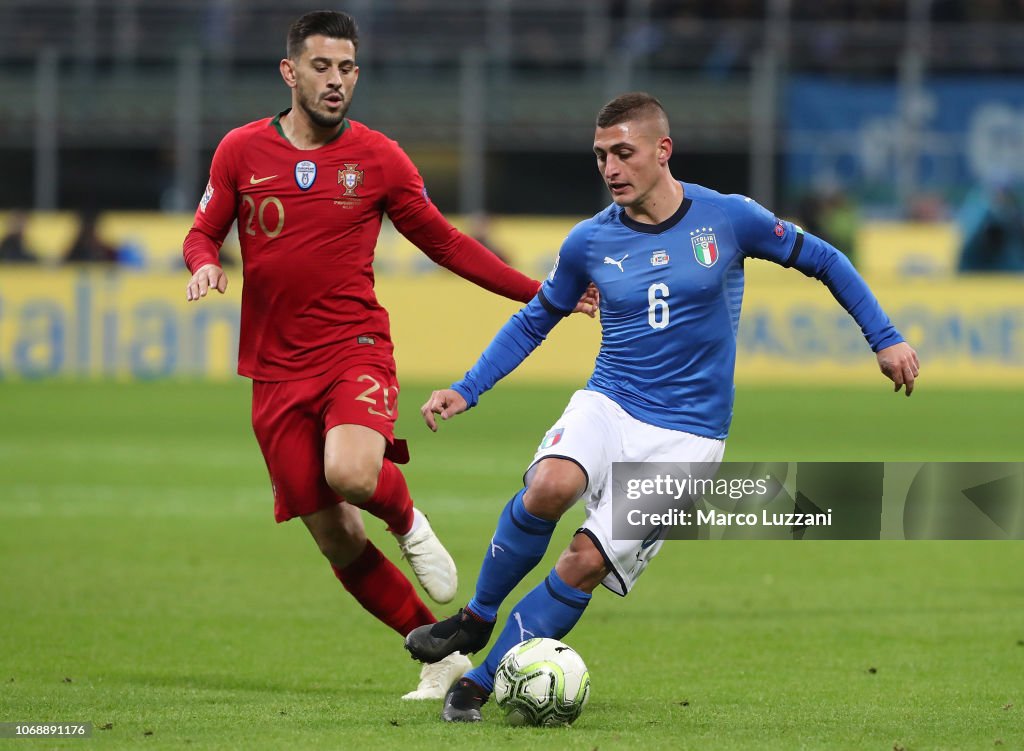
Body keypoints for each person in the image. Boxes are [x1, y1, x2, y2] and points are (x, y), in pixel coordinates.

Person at [404, 92, 920, 722]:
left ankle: (479, 683)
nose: (610, 169)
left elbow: (825, 259)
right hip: (610, 401)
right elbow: (538, 317)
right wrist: (468, 386)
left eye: (623, 153)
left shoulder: (729, 219)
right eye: (600, 157)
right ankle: (477, 617)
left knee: (585, 560)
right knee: (549, 485)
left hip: (689, 437)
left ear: (661, 151)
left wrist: (884, 337)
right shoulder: (589, 241)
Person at [181, 10, 596, 701]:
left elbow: (447, 243)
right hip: (274, 371)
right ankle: (438, 658)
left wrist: (542, 292)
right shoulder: (240, 152)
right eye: (322, 67)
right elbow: (203, 230)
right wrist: (204, 264)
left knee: (350, 470)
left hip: (355, 348)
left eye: (347, 68)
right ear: (290, 73)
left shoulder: (378, 158)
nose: (336, 80)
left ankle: (407, 520)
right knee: (337, 538)